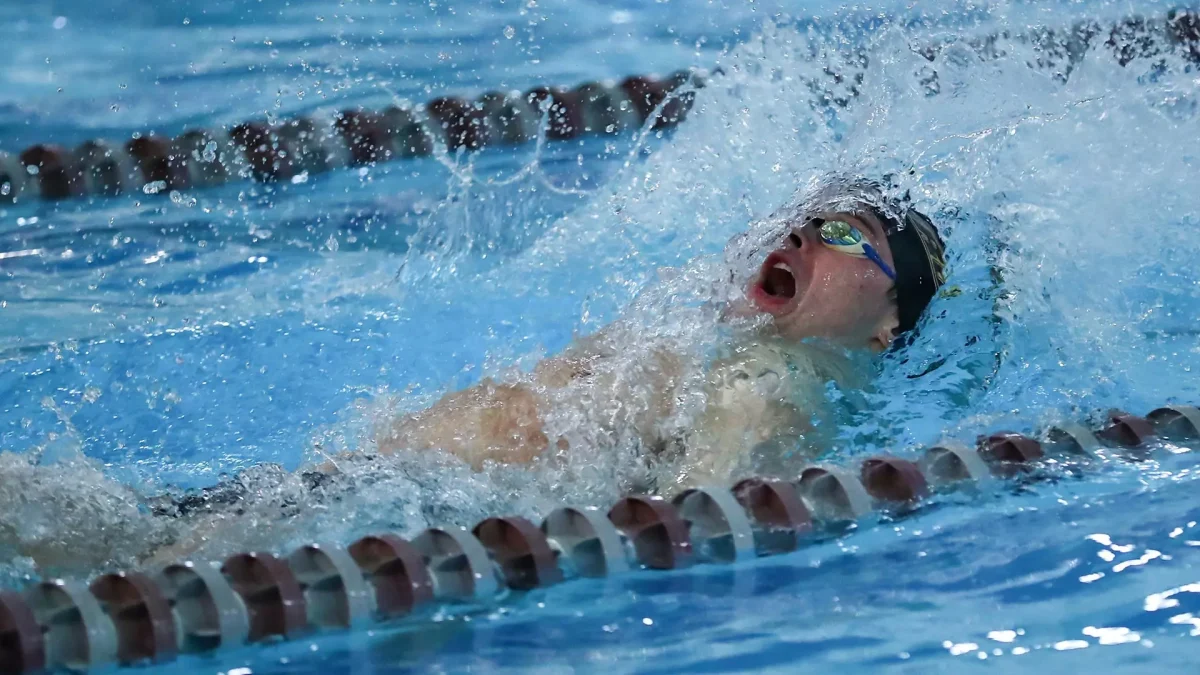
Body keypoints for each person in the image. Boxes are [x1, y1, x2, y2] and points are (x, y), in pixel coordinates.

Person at [140, 176, 948, 566]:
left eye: (844, 233)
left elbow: (683, 537)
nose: (803, 236)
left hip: (353, 531)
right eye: (801, 220)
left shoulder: (776, 385)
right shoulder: (698, 347)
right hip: (330, 506)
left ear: (886, 329)